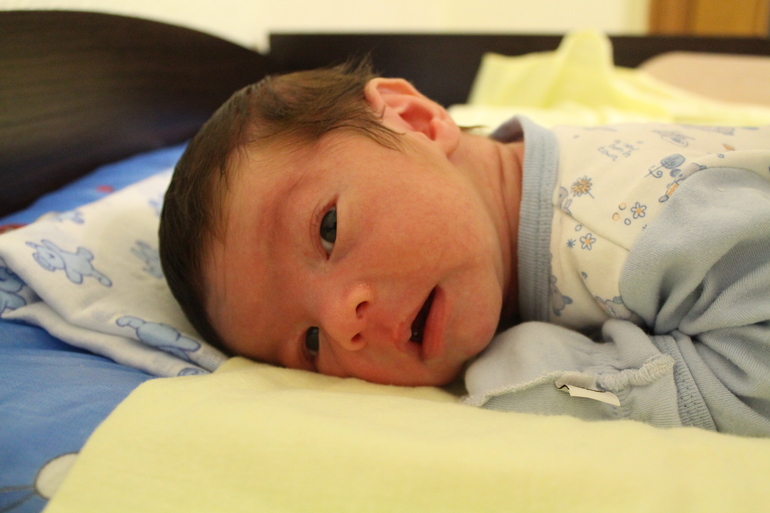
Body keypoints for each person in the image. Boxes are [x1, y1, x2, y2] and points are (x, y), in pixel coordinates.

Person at [159, 61, 770, 436]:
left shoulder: (635, 228)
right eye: (311, 344)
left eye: (328, 229)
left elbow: (753, 381)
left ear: (415, 120)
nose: (344, 321)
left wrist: (529, 372)